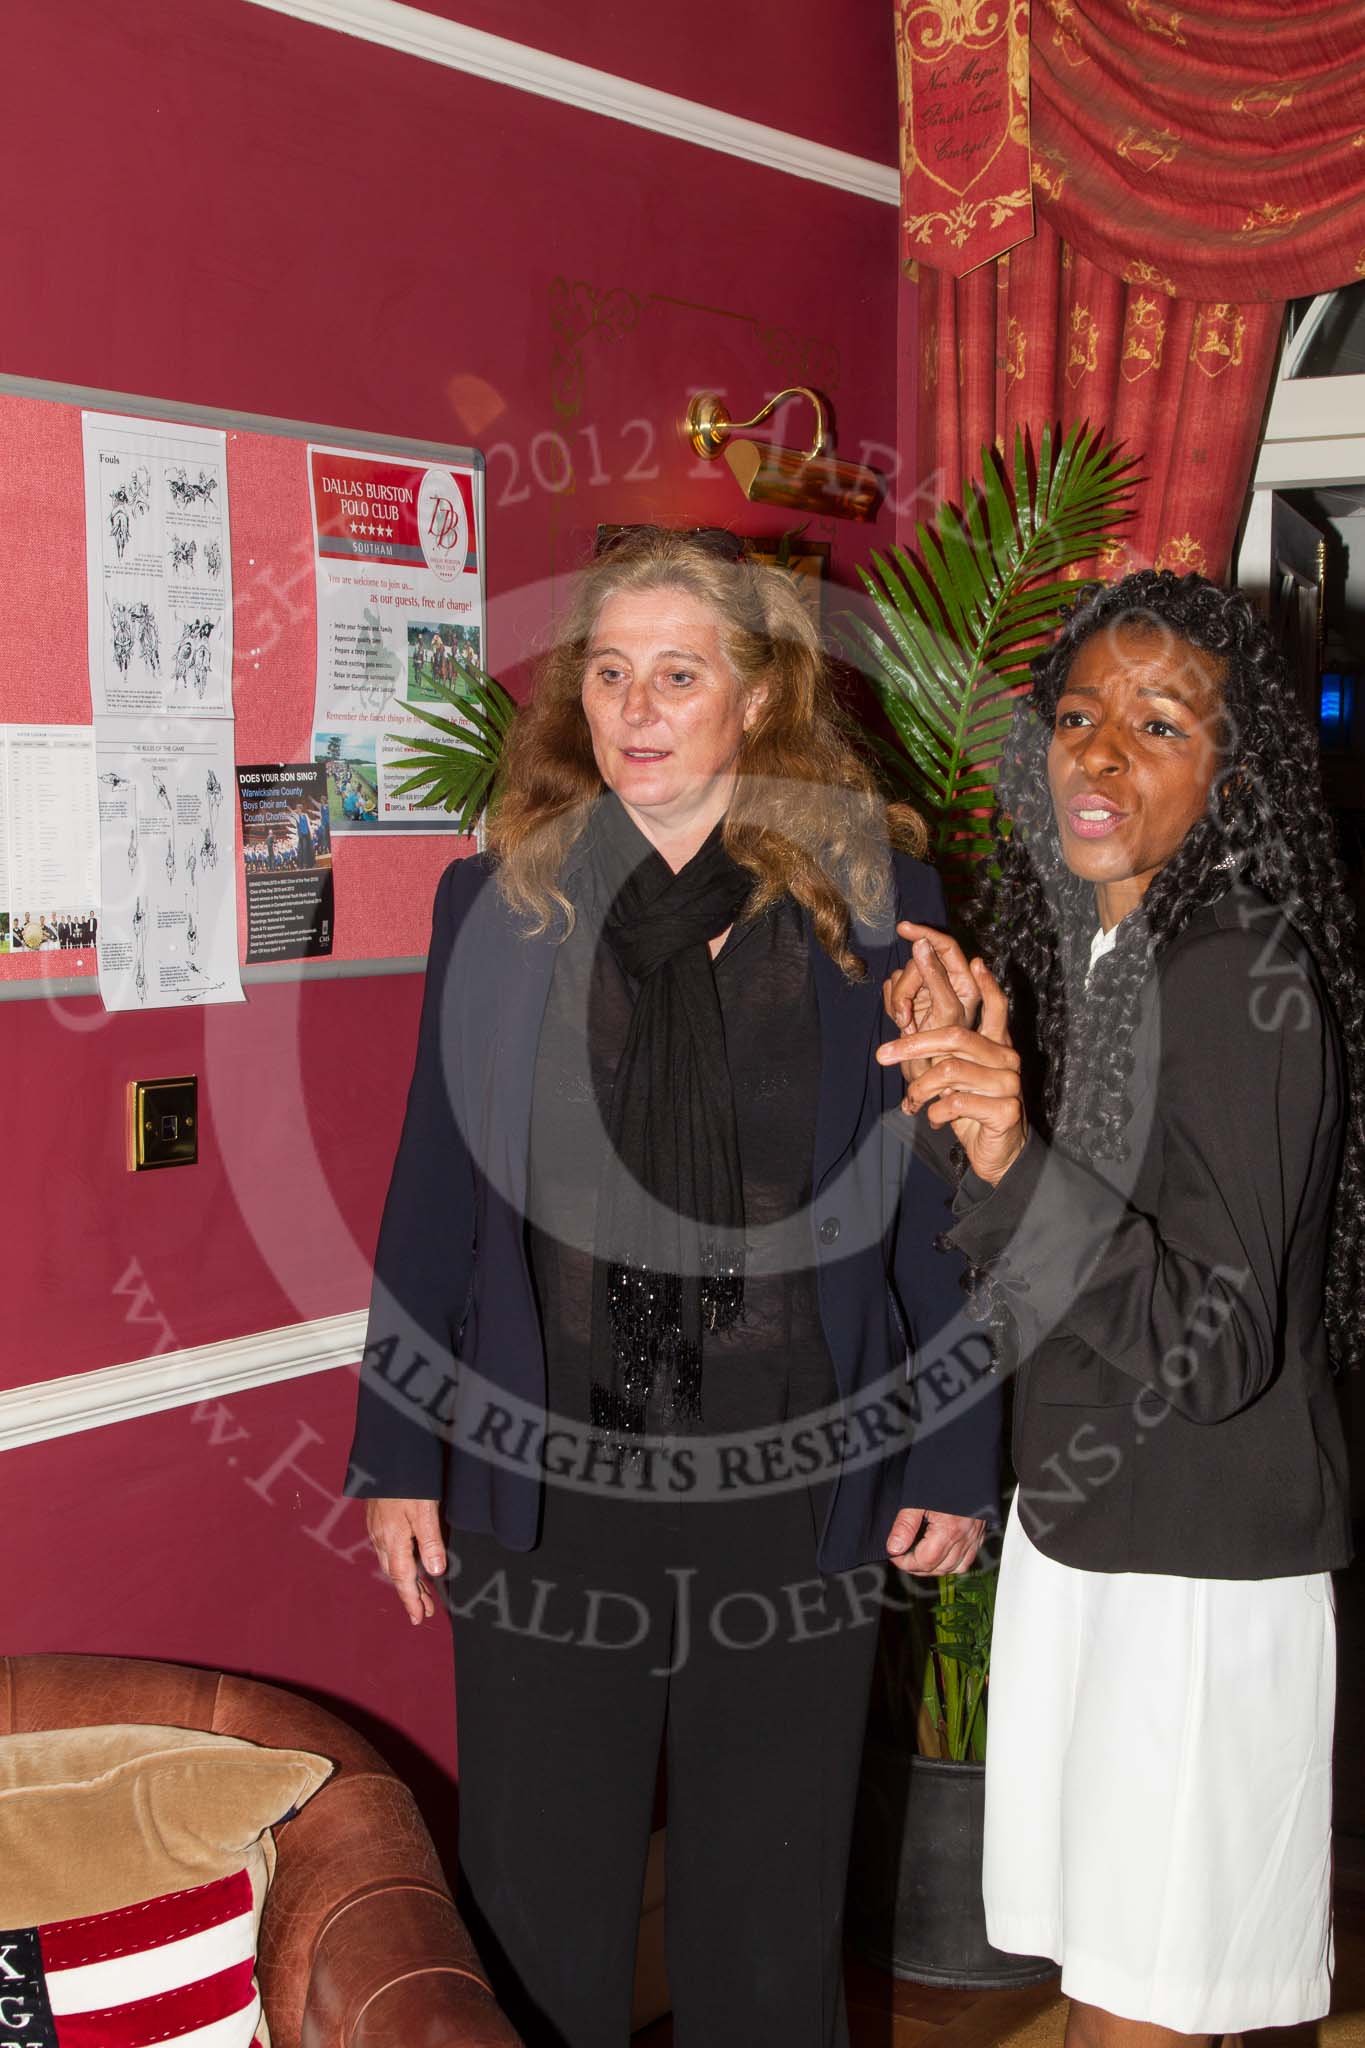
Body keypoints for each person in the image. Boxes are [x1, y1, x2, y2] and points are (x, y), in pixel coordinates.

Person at [345, 526, 1001, 2048]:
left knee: (766, 1925)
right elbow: (434, 1191)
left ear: (758, 700)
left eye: (679, 675)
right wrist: (395, 1454)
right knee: (532, 1906)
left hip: (795, 1475)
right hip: (547, 1475)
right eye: (609, 673)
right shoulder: (496, 908)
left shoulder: (873, 910)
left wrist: (956, 1460)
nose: (636, 709)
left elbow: (932, 1211)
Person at [879, 570, 1362, 2047]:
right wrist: (971, 1103)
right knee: (1125, 1989)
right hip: (1093, 1545)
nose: (1098, 752)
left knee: (1136, 2017)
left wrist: (1014, 1150)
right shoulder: (1107, 970)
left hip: (1192, 1587)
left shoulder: (1231, 973)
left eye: (1158, 723)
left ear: (1234, 771)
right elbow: (1061, 1279)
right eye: (1075, 715)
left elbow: (1201, 1347)